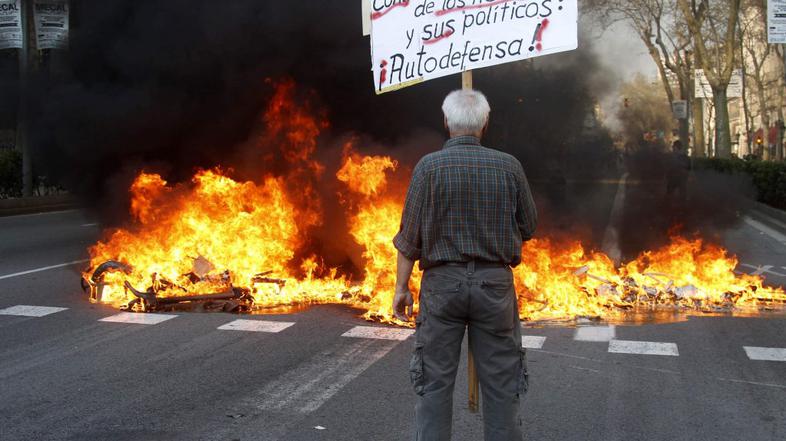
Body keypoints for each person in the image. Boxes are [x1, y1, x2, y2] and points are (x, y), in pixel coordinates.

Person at [392, 89, 538, 441]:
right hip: (494, 286)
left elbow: (409, 238)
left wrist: (401, 288)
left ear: (446, 122)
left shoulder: (428, 167)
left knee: (435, 382)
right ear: (485, 123)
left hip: (442, 285)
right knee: (502, 384)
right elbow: (529, 225)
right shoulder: (509, 166)